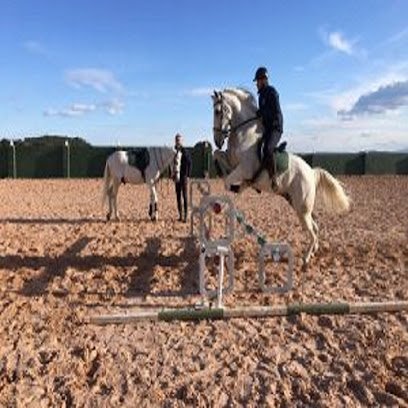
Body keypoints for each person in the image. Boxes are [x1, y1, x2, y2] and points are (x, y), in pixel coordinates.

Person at [253, 66, 283, 187]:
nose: (257, 84)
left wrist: (263, 113)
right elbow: (263, 114)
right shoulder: (261, 96)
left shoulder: (272, 92)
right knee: (256, 148)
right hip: (267, 128)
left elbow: (275, 112)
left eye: (258, 81)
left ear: (264, 80)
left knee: (268, 149)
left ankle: (274, 179)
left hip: (276, 127)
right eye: (257, 82)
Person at [173, 133, 191, 222]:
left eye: (179, 140)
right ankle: (180, 215)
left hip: (183, 176)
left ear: (181, 141)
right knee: (178, 196)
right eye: (176, 140)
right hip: (177, 177)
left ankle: (186, 216)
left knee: (184, 196)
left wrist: (188, 176)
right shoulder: (174, 151)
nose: (177, 141)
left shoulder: (185, 151)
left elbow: (189, 163)